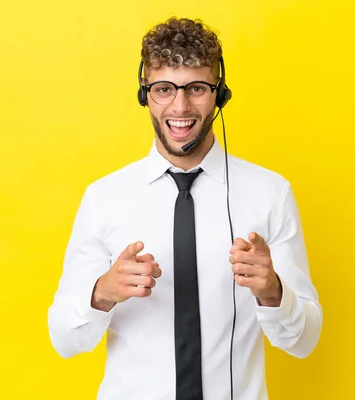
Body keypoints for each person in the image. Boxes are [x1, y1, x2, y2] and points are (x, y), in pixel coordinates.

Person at [47, 17, 323, 400]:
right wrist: (102, 293)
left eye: (196, 88)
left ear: (219, 93)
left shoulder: (270, 194)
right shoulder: (103, 198)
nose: (180, 106)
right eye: (164, 89)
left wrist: (273, 291)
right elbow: (63, 339)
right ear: (145, 94)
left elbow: (304, 341)